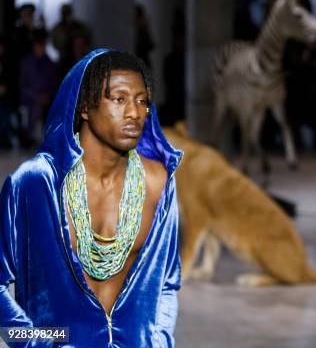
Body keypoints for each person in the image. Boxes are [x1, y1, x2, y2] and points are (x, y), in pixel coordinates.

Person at [0, 49, 182, 346]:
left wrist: (159, 341)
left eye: (142, 101)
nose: (135, 113)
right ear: (84, 107)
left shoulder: (157, 183)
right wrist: (39, 343)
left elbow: (167, 283)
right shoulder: (36, 183)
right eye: (120, 99)